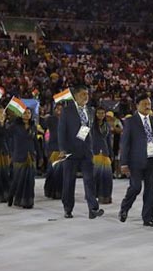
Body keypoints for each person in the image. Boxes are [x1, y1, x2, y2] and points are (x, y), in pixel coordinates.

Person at [119, 94, 153, 227]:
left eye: (149, 103)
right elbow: (125, 144)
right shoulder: (130, 122)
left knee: (150, 189)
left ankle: (148, 218)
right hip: (135, 162)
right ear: (137, 105)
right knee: (136, 187)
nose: (147, 106)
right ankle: (124, 207)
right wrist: (124, 163)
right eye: (144, 103)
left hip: (151, 160)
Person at [58, 85, 103, 219]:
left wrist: (94, 148)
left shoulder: (90, 110)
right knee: (69, 181)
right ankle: (67, 208)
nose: (86, 96)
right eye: (83, 94)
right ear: (76, 96)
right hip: (70, 151)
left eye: (87, 94)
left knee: (89, 180)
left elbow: (91, 131)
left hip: (86, 152)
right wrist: (62, 149)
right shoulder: (67, 111)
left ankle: (93, 209)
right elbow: (61, 131)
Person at [7, 109, 36, 209]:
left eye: (28, 113)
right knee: (17, 179)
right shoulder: (15, 126)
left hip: (31, 156)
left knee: (30, 180)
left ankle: (28, 201)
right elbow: (7, 136)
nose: (27, 115)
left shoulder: (33, 126)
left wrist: (40, 156)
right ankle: (11, 195)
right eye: (24, 113)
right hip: (19, 155)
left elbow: (35, 142)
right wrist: (10, 153)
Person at [92, 107, 113, 204]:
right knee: (95, 177)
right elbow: (82, 137)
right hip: (94, 153)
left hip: (105, 153)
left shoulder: (107, 126)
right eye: (98, 113)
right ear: (95, 114)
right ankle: (93, 196)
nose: (100, 115)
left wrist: (111, 153)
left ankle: (105, 196)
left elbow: (109, 141)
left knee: (107, 177)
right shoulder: (90, 125)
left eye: (102, 113)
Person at [43, 103, 63, 199]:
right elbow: (44, 126)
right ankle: (50, 190)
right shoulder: (51, 119)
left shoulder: (66, 120)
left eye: (61, 109)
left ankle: (60, 191)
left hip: (63, 149)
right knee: (51, 171)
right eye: (57, 109)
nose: (59, 111)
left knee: (61, 172)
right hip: (53, 148)